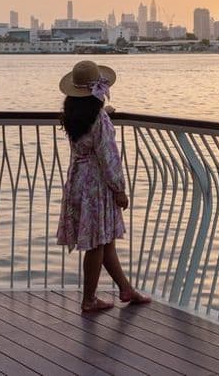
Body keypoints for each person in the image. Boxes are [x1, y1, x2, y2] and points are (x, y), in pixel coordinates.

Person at [56, 60, 152, 313]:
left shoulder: (74, 114)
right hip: (96, 184)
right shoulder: (98, 119)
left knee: (104, 239)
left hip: (78, 179)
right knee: (98, 244)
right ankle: (89, 299)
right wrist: (119, 189)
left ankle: (125, 289)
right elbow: (108, 157)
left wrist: (104, 115)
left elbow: (89, 137)